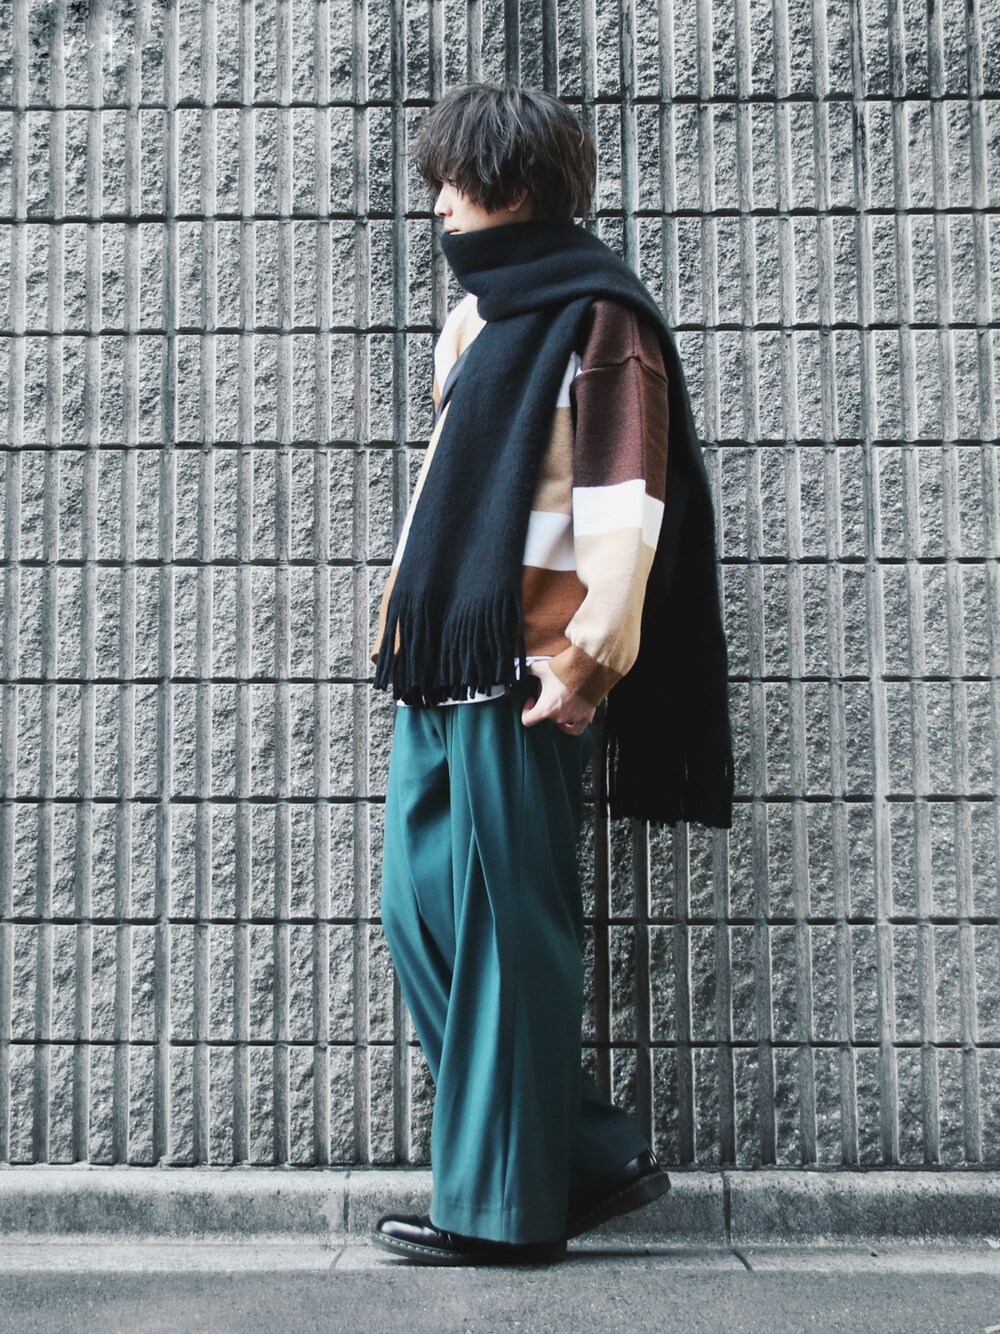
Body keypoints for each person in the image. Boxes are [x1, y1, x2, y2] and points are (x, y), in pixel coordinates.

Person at [369, 83, 733, 1266]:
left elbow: (628, 507)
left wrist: (587, 660)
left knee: (507, 934)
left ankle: (503, 1212)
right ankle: (584, 1151)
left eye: (455, 181)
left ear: (514, 183)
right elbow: (452, 487)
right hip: (442, 660)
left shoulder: (599, 316)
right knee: (421, 914)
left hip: (528, 671)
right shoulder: (475, 322)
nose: (439, 203)